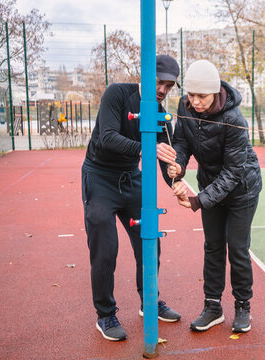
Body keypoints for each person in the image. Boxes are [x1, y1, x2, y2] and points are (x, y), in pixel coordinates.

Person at [81, 54, 185, 342]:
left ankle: (149, 301)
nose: (163, 89)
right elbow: (107, 137)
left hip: (131, 178)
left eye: (169, 85)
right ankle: (106, 314)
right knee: (105, 247)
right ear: (145, 74)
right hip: (99, 176)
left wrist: (176, 178)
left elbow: (166, 160)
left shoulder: (161, 116)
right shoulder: (117, 93)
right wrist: (147, 149)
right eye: (158, 81)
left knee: (149, 240)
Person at [162, 60, 262, 333]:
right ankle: (213, 307)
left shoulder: (234, 119)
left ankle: (243, 306)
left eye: (201, 96)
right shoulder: (185, 108)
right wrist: (178, 165)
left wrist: (198, 201)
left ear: (215, 92)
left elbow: (232, 173)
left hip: (242, 189)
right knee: (213, 246)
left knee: (237, 248)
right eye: (190, 95)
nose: (194, 101)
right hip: (210, 184)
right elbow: (181, 142)